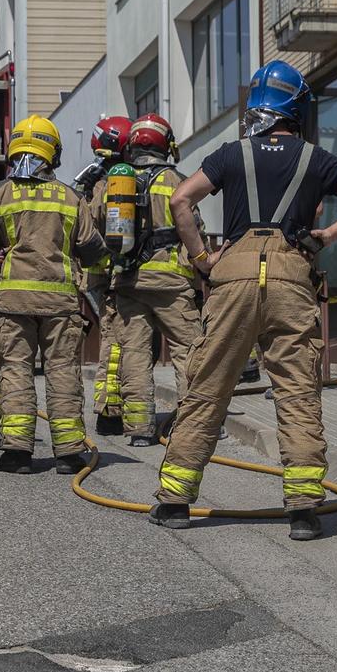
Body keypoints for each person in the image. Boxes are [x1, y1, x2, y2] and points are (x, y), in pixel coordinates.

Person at [152, 62, 337, 540]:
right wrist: (325, 235)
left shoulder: (229, 155)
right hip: (291, 276)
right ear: (296, 108)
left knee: (208, 385)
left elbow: (180, 199)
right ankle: (303, 509)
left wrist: (202, 258)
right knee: (296, 391)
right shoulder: (315, 159)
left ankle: (175, 500)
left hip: (233, 275)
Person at [0, 115, 109, 474]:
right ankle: (70, 454)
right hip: (60, 303)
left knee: (16, 372)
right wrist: (99, 263)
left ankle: (16, 453)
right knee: (62, 373)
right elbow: (92, 248)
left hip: (13, 301)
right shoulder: (70, 198)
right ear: (52, 153)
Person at [98, 112, 205, 448]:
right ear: (166, 145)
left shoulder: (113, 185)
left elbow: (96, 228)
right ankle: (191, 427)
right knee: (189, 352)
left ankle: (139, 429)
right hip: (171, 283)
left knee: (135, 356)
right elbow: (195, 230)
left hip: (129, 281)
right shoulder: (178, 182)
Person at [77, 116, 135, 435]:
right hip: (110, 278)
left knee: (120, 342)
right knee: (115, 342)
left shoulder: (95, 183)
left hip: (101, 276)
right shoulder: (111, 184)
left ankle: (119, 406)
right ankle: (109, 413)